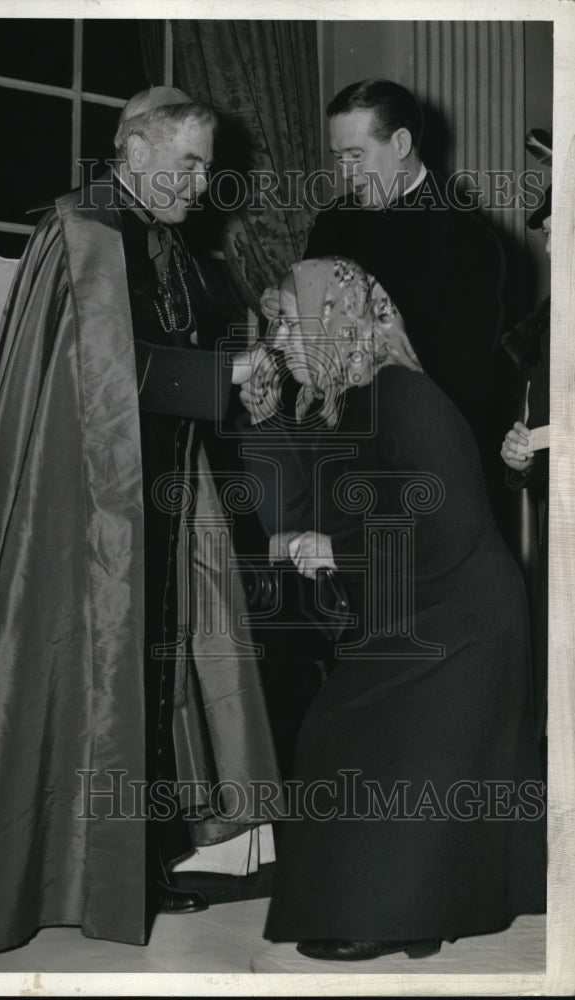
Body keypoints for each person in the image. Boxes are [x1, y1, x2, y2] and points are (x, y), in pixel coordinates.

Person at [0, 86, 280, 955]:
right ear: (136, 153)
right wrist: (223, 380)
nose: (201, 182)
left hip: (158, 493)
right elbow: (110, 380)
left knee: (150, 673)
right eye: (188, 163)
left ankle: (136, 858)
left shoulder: (159, 235)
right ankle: (80, 870)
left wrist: (237, 376)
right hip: (84, 510)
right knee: (98, 674)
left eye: (206, 165)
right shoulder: (83, 233)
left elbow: (178, 351)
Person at [241, 257, 545, 961]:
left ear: (332, 323)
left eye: (289, 323)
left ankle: (398, 914)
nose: (280, 339)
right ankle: (389, 907)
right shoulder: (351, 399)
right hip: (420, 604)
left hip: (460, 618)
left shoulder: (401, 396)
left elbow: (444, 519)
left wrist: (333, 547)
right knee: (337, 734)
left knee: (365, 740)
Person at [262, 80, 505, 480]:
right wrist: (282, 312)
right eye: (339, 158)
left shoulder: (467, 239)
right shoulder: (333, 222)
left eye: (357, 155)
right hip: (329, 452)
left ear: (402, 143)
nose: (346, 173)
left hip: (418, 460)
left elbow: (467, 380)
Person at [500, 184, 551, 747]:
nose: (552, 250)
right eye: (548, 236)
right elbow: (532, 429)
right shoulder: (546, 329)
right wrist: (519, 456)